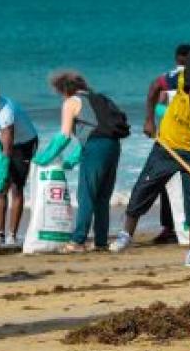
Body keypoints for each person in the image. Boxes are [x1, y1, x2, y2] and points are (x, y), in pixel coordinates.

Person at [111, 67, 190, 266]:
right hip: (167, 146)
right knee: (144, 187)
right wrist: (149, 119)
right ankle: (126, 235)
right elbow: (156, 85)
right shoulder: (184, 76)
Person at [32, 71, 125, 252]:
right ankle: (100, 242)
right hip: (113, 146)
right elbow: (94, 131)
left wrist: (43, 158)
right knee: (102, 197)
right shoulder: (99, 99)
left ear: (63, 90)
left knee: (86, 195)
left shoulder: (71, 102)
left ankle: (77, 241)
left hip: (95, 148)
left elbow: (64, 136)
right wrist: (72, 160)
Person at [0, 83, 39, 246]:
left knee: (16, 187)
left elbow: (8, 144)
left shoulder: (6, 111)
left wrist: (2, 166)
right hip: (6, 142)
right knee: (1, 188)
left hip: (25, 143)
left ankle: (12, 236)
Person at [143, 43, 190, 244]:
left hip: (169, 135)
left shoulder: (169, 77)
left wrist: (152, 119)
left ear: (176, 58)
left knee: (166, 182)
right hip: (189, 133)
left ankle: (169, 227)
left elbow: (158, 100)